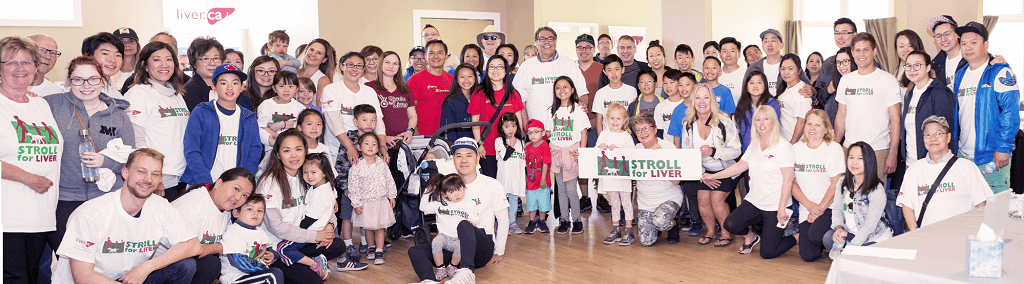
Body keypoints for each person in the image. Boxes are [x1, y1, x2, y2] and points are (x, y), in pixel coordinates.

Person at [54, 148, 200, 284]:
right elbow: (82, 276)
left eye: (155, 174)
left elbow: (193, 246)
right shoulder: (91, 213)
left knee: (186, 266)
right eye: (141, 171)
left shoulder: (160, 206)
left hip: (127, 278)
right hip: (95, 281)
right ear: (125, 173)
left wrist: (147, 267)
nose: (148, 179)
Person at [44, 56, 135, 252]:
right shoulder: (50, 105)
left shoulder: (118, 114)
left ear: (103, 80)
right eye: (78, 79)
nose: (86, 85)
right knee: (69, 261)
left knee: (105, 260)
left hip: (107, 198)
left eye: (93, 79)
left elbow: (132, 161)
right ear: (69, 81)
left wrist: (107, 161)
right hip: (64, 199)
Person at [257, 129, 361, 280]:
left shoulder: (308, 175)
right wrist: (316, 235)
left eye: (298, 149)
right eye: (287, 150)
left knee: (338, 245)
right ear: (278, 155)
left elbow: (325, 205)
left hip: (300, 239)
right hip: (277, 247)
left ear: (305, 151)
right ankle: (295, 267)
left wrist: (329, 226)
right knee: (312, 281)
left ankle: (303, 264)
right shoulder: (269, 183)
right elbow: (276, 228)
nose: (294, 155)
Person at [1, 36, 64, 284]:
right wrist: (29, 179)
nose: (20, 69)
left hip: (41, 216)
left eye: (26, 62)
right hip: (6, 219)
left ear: (36, 66)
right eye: (11, 63)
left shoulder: (40, 105)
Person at [408, 137, 510, 284]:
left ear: (477, 159)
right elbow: (425, 208)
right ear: (453, 160)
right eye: (459, 156)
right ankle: (429, 281)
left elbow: (503, 219)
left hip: (480, 248)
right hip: (451, 247)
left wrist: (499, 251)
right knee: (415, 251)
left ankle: (466, 274)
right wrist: (431, 187)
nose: (464, 160)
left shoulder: (492, 185)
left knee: (464, 224)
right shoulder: (447, 188)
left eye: (469, 155)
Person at [707, 106, 796, 258]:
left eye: (766, 119)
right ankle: (751, 236)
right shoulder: (754, 144)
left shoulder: (784, 146)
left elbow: (788, 180)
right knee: (730, 224)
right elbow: (739, 167)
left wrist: (781, 208)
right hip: (754, 201)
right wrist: (713, 176)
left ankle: (797, 236)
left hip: (775, 205)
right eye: (758, 119)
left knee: (768, 253)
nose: (762, 123)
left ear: (773, 121)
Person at [951, 22, 1020, 194]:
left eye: (973, 42)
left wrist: (1003, 148)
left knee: (993, 214)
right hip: (963, 156)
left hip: (992, 156)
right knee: (966, 211)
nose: (968, 47)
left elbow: (1010, 114)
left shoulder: (1001, 72)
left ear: (986, 45)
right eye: (964, 43)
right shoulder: (960, 74)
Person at [897, 116, 993, 228]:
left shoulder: (966, 167)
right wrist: (914, 231)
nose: (933, 138)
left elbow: (981, 203)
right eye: (928, 134)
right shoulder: (914, 170)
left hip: (960, 237)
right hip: (927, 239)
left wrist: (975, 230)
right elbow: (907, 204)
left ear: (948, 137)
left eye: (938, 133)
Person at [124, 41, 190, 201]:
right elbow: (137, 140)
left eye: (169, 59)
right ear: (144, 65)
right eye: (156, 59)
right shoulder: (139, 93)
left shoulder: (177, 94)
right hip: (159, 180)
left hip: (181, 176)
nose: (164, 64)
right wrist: (153, 178)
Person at [678, 84, 742, 247]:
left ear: (712, 100)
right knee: (702, 198)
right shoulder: (688, 123)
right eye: (698, 97)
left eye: (706, 97)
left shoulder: (724, 121)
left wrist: (714, 151)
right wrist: (702, 175)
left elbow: (736, 150)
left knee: (716, 198)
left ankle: (726, 233)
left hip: (726, 170)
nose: (702, 101)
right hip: (704, 171)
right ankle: (711, 232)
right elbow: (687, 153)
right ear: (693, 101)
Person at [168, 168, 257, 284]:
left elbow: (233, 241)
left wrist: (256, 247)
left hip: (184, 264)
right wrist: (219, 247)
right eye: (236, 189)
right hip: (162, 264)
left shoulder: (225, 209)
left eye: (245, 195)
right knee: (210, 264)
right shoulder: (195, 205)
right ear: (219, 183)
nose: (238, 197)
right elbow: (181, 252)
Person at [834, 33, 902, 181]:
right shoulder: (845, 80)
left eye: (866, 49)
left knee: (874, 199)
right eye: (857, 50)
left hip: (877, 150)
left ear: (874, 51)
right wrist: (834, 146)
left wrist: (893, 153)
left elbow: (896, 119)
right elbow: (841, 116)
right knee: (848, 196)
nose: (861, 54)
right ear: (852, 53)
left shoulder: (887, 80)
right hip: (849, 149)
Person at [182, 63, 263, 187]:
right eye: (223, 83)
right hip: (203, 184)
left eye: (235, 83)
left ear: (242, 87)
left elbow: (254, 151)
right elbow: (192, 149)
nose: (229, 87)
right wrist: (206, 183)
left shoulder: (248, 118)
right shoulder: (202, 112)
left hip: (235, 186)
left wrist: (242, 181)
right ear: (213, 87)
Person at [822, 141, 893, 259]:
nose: (854, 162)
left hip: (873, 237)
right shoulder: (842, 182)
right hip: (850, 234)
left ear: (869, 161)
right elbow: (837, 210)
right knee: (828, 238)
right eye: (851, 157)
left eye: (860, 158)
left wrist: (852, 247)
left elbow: (869, 227)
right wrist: (838, 229)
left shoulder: (876, 190)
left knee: (862, 256)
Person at [791, 109, 844, 262]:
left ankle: (838, 235)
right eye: (809, 124)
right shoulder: (795, 149)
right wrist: (809, 206)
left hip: (829, 207)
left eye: (817, 125)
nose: (812, 128)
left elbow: (836, 184)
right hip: (806, 208)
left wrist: (818, 209)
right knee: (809, 255)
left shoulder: (834, 149)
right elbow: (791, 183)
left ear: (826, 129)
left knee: (815, 235)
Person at [274, 153, 336, 279]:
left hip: (310, 231)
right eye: (305, 172)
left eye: (313, 172)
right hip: (314, 231)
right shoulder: (323, 186)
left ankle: (315, 264)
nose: (309, 176)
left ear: (324, 172)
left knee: (283, 249)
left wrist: (295, 232)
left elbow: (309, 219)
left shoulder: (321, 193)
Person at [322, 52, 388, 169]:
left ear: (363, 70)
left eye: (359, 66)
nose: (354, 69)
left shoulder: (369, 91)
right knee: (341, 183)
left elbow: (378, 120)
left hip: (366, 150)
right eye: (350, 65)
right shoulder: (331, 90)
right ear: (342, 67)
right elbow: (334, 123)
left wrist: (382, 145)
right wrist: (350, 147)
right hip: (338, 148)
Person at [332, 104, 379, 264]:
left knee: (367, 215)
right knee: (347, 217)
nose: (369, 123)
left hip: (369, 189)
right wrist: (345, 187)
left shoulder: (374, 140)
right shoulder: (349, 140)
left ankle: (366, 243)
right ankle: (348, 244)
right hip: (350, 189)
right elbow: (340, 165)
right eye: (365, 119)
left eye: (373, 120)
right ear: (355, 121)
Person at [513, 27, 589, 125]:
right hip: (536, 133)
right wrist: (525, 128)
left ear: (555, 42)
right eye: (542, 39)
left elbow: (582, 92)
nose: (546, 42)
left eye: (550, 38)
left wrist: (583, 103)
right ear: (536, 42)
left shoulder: (569, 64)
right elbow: (519, 101)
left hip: (565, 131)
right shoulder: (526, 67)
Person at [631, 113, 684, 246]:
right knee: (646, 242)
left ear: (655, 129)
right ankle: (656, 225)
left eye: (646, 128)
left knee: (660, 221)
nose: (643, 132)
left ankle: (673, 224)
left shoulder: (668, 147)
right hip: (646, 202)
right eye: (638, 130)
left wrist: (660, 158)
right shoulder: (636, 150)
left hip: (668, 198)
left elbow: (676, 181)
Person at [901, 51, 957, 174]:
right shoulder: (910, 93)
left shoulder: (939, 92)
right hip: (911, 163)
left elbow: (944, 133)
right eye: (908, 66)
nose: (912, 69)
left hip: (934, 163)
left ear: (928, 67)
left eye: (917, 65)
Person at [469, 56, 525, 178]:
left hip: (509, 148)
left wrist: (518, 144)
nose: (496, 70)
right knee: (491, 184)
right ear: (487, 70)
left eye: (500, 67)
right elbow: (475, 122)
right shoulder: (479, 92)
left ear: (506, 71)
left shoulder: (513, 94)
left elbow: (519, 123)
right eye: (492, 67)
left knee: (509, 185)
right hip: (487, 148)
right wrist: (479, 144)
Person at [548, 76, 590, 234]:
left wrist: (582, 152)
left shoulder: (578, 110)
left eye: (566, 87)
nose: (562, 90)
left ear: (572, 90)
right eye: (558, 87)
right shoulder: (552, 111)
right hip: (557, 154)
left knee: (572, 190)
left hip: (572, 154)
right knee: (561, 190)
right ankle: (564, 219)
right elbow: (549, 132)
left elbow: (583, 132)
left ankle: (577, 219)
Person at [348, 133, 398, 265]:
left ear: (378, 148)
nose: (371, 146)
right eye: (367, 143)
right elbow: (353, 187)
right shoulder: (356, 167)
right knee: (368, 228)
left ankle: (379, 250)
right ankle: (370, 247)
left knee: (380, 228)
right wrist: (356, 203)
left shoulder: (382, 164)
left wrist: (392, 195)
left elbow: (389, 180)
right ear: (359, 147)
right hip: (366, 203)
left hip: (381, 201)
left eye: (374, 144)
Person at [422, 173, 480, 281]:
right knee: (436, 242)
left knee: (461, 247)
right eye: (452, 192)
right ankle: (440, 269)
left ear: (463, 187)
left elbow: (475, 218)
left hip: (457, 239)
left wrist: (471, 222)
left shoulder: (468, 204)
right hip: (443, 236)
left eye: (459, 189)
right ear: (444, 194)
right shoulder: (440, 204)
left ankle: (452, 267)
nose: (457, 194)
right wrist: (429, 189)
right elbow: (423, 207)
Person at [218, 194, 285, 284]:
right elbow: (239, 261)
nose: (256, 213)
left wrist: (272, 255)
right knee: (272, 275)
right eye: (250, 209)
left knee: (275, 273)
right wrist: (263, 266)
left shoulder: (259, 231)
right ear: (236, 213)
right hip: (236, 279)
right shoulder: (234, 232)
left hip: (254, 275)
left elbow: (268, 249)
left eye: (260, 210)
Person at [596, 103, 637, 246]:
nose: (615, 122)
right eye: (612, 118)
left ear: (625, 120)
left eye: (618, 118)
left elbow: (631, 153)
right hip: (609, 177)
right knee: (614, 204)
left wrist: (619, 149)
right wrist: (600, 147)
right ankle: (615, 230)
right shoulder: (603, 135)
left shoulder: (627, 136)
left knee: (626, 204)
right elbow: (596, 153)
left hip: (623, 177)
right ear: (607, 119)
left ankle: (629, 230)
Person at [370, 51, 417, 149]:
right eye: (387, 62)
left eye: (395, 63)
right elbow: (364, 119)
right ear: (380, 64)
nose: (391, 66)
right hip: (378, 145)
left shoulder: (405, 89)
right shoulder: (369, 88)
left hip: (403, 144)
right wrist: (383, 138)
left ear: (399, 67)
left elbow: (412, 115)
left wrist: (409, 131)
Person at [744, 29, 812, 97]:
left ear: (781, 45)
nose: (769, 44)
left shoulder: (791, 64)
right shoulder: (753, 68)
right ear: (763, 47)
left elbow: (809, 87)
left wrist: (812, 91)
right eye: (766, 41)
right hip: (761, 106)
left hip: (786, 106)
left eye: (773, 41)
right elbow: (745, 92)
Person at [408, 40, 454, 137]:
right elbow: (408, 111)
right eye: (431, 53)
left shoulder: (453, 80)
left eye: (440, 53)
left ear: (446, 56)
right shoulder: (414, 80)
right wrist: (414, 131)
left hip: (447, 137)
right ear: (425, 56)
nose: (436, 56)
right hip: (422, 137)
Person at [494, 113, 526, 234]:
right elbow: (506, 156)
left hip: (516, 178)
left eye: (513, 125)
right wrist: (511, 145)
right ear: (501, 128)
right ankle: (501, 223)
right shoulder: (499, 141)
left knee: (513, 200)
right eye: (507, 126)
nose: (510, 129)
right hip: (504, 178)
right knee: (502, 201)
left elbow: (522, 163)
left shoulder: (521, 143)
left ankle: (512, 222)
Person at [257, 71, 307, 150]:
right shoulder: (266, 105)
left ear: (297, 89)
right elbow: (261, 127)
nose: (286, 90)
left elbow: (304, 127)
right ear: (274, 88)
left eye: (290, 86)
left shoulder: (300, 108)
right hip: (272, 147)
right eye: (281, 86)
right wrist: (278, 141)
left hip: (294, 146)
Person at [734, 71, 781, 153]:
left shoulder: (772, 104)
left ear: (765, 86)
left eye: (759, 82)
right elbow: (742, 132)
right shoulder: (742, 106)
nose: (755, 86)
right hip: (748, 152)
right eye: (751, 83)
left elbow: (774, 129)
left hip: (769, 150)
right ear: (747, 88)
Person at [592, 55, 637, 135]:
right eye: (609, 70)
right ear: (605, 72)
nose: (613, 74)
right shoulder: (600, 93)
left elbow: (634, 117)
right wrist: (601, 140)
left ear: (623, 70)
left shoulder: (631, 91)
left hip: (626, 137)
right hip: (607, 138)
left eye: (616, 69)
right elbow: (599, 120)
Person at [522, 119, 552, 234]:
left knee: (543, 202)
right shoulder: (527, 147)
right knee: (531, 202)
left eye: (535, 132)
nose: (532, 135)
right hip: (531, 181)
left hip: (542, 181)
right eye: (529, 132)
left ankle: (542, 221)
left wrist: (543, 179)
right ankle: (531, 221)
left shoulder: (544, 145)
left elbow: (545, 163)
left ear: (543, 133)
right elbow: (525, 165)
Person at [777, 53, 813, 144]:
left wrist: (792, 143)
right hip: (784, 140)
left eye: (790, 68)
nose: (786, 72)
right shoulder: (785, 89)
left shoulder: (801, 91)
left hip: (796, 143)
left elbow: (802, 121)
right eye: (783, 68)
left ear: (799, 71)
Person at [82, 32, 126, 99]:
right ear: (88, 56)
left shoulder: (114, 90)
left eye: (118, 55)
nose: (112, 60)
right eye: (105, 54)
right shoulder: (82, 90)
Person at [439, 64, 478, 141]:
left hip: (478, 146)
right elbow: (447, 130)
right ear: (457, 79)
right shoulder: (451, 101)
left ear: (475, 78)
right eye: (462, 77)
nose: (466, 80)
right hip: (459, 148)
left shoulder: (479, 98)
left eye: (469, 76)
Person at [927, 15, 966, 90]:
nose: (943, 39)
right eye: (938, 36)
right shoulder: (936, 64)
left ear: (957, 34)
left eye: (947, 34)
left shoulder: (971, 57)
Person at [296, 39, 336, 107]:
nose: (313, 54)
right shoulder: (293, 72)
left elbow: (319, 108)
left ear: (324, 59)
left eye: (319, 53)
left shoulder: (323, 80)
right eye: (311, 50)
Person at [667, 72, 698, 148]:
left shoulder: (701, 106)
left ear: (695, 86)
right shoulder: (677, 110)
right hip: (685, 152)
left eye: (687, 84)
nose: (683, 88)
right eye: (680, 85)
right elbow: (676, 137)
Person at [718, 37, 746, 103]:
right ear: (720, 54)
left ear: (739, 54)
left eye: (732, 51)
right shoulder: (715, 75)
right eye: (724, 51)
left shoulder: (746, 74)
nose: (728, 55)